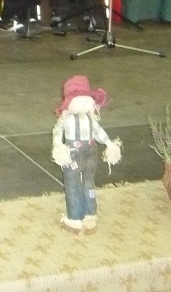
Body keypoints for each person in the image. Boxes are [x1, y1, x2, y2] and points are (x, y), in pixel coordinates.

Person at [51, 75, 121, 232]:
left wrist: (109, 144)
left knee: (88, 181)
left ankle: (90, 214)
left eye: (86, 99)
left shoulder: (91, 120)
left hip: (90, 153)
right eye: (79, 99)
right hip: (72, 153)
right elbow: (57, 132)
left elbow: (99, 132)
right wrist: (58, 145)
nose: (84, 102)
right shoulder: (65, 119)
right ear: (70, 103)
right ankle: (75, 217)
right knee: (72, 182)